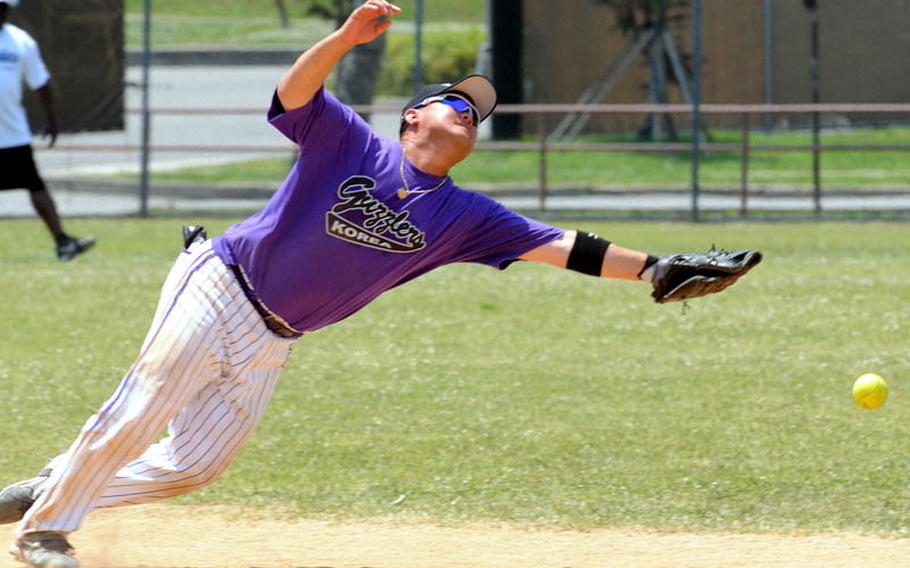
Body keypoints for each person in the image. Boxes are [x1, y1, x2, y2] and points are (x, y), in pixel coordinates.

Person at [0, 2, 760, 567]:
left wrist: (656, 268)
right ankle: (47, 530)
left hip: (276, 339)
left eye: (478, 114)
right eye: (456, 102)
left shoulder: (464, 216)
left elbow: (561, 245)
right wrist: (342, 40)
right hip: (223, 281)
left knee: (195, 466)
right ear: (412, 119)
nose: (469, 113)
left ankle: (58, 484)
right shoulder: (349, 140)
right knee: (146, 401)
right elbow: (293, 97)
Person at [0, 0, 94, 261]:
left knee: (35, 186)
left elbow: (40, 82)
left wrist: (51, 119)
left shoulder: (21, 42)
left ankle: (63, 242)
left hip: (11, 135)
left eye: (2, 9)